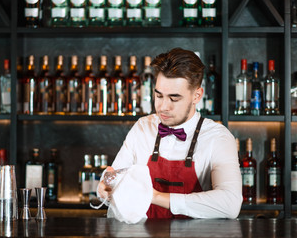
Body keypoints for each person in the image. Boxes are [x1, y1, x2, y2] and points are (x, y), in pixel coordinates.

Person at [98, 48, 242, 219]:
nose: (163, 107)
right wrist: (105, 186)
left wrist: (155, 196)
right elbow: (115, 178)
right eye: (159, 95)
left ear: (197, 96)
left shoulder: (218, 138)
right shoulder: (143, 127)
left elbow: (230, 204)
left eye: (174, 98)